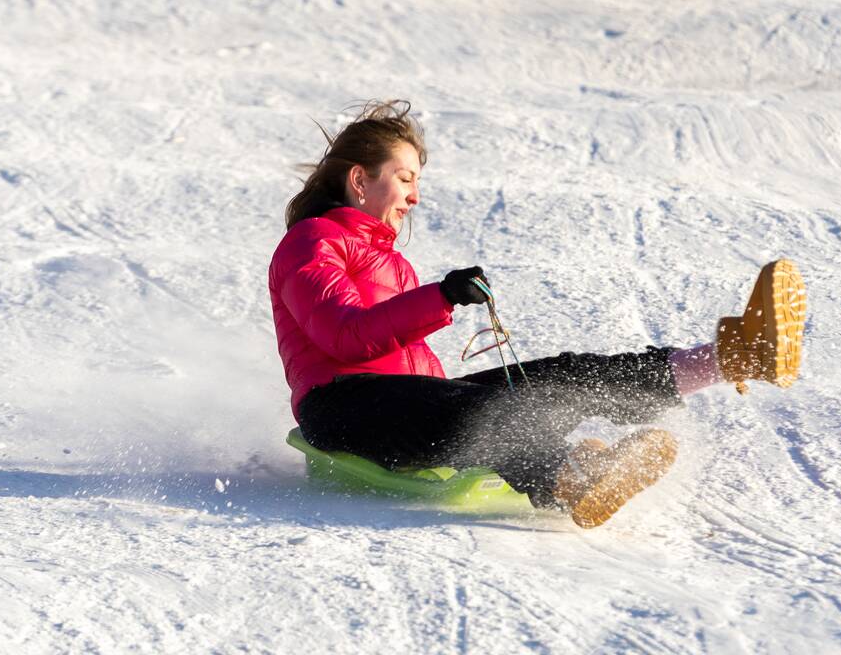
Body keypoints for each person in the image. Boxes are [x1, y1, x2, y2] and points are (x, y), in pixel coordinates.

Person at [267, 100, 807, 528]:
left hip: (400, 405)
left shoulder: (392, 262)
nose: (415, 196)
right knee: (492, 409)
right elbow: (343, 337)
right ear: (360, 180)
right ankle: (574, 476)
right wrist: (441, 297)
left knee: (559, 374)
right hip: (341, 407)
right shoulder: (311, 242)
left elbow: (401, 359)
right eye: (404, 178)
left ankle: (733, 356)